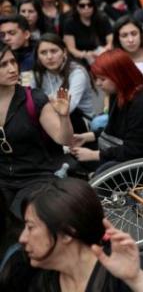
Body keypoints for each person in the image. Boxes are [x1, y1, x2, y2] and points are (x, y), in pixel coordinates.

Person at [0, 177, 143, 292]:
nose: (22, 238)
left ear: (67, 233)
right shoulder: (34, 276)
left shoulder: (119, 273)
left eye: (30, 227)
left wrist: (137, 280)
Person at [0, 45, 73, 251]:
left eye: (13, 62)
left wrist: (64, 116)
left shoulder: (34, 98)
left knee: (20, 223)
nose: (12, 68)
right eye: (3, 65)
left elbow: (63, 139)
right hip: (3, 177)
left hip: (36, 176)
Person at [69, 49, 143, 167]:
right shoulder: (118, 92)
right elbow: (116, 129)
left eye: (102, 79)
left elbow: (134, 150)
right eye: (96, 78)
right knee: (78, 152)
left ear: (119, 76)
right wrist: (87, 137)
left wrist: (94, 155)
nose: (98, 83)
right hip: (135, 148)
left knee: (101, 168)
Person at [32, 33, 96, 134]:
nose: (49, 57)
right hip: (51, 119)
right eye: (43, 53)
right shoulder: (38, 74)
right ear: (38, 57)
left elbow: (68, 107)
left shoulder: (77, 72)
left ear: (64, 52)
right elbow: (30, 103)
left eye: (54, 51)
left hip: (80, 121)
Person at [62, 0, 112, 64]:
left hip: (104, 54)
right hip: (81, 59)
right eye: (82, 6)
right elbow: (71, 49)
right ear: (76, 7)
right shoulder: (69, 23)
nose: (86, 8)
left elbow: (110, 40)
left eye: (90, 5)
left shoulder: (102, 18)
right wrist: (86, 55)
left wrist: (105, 50)